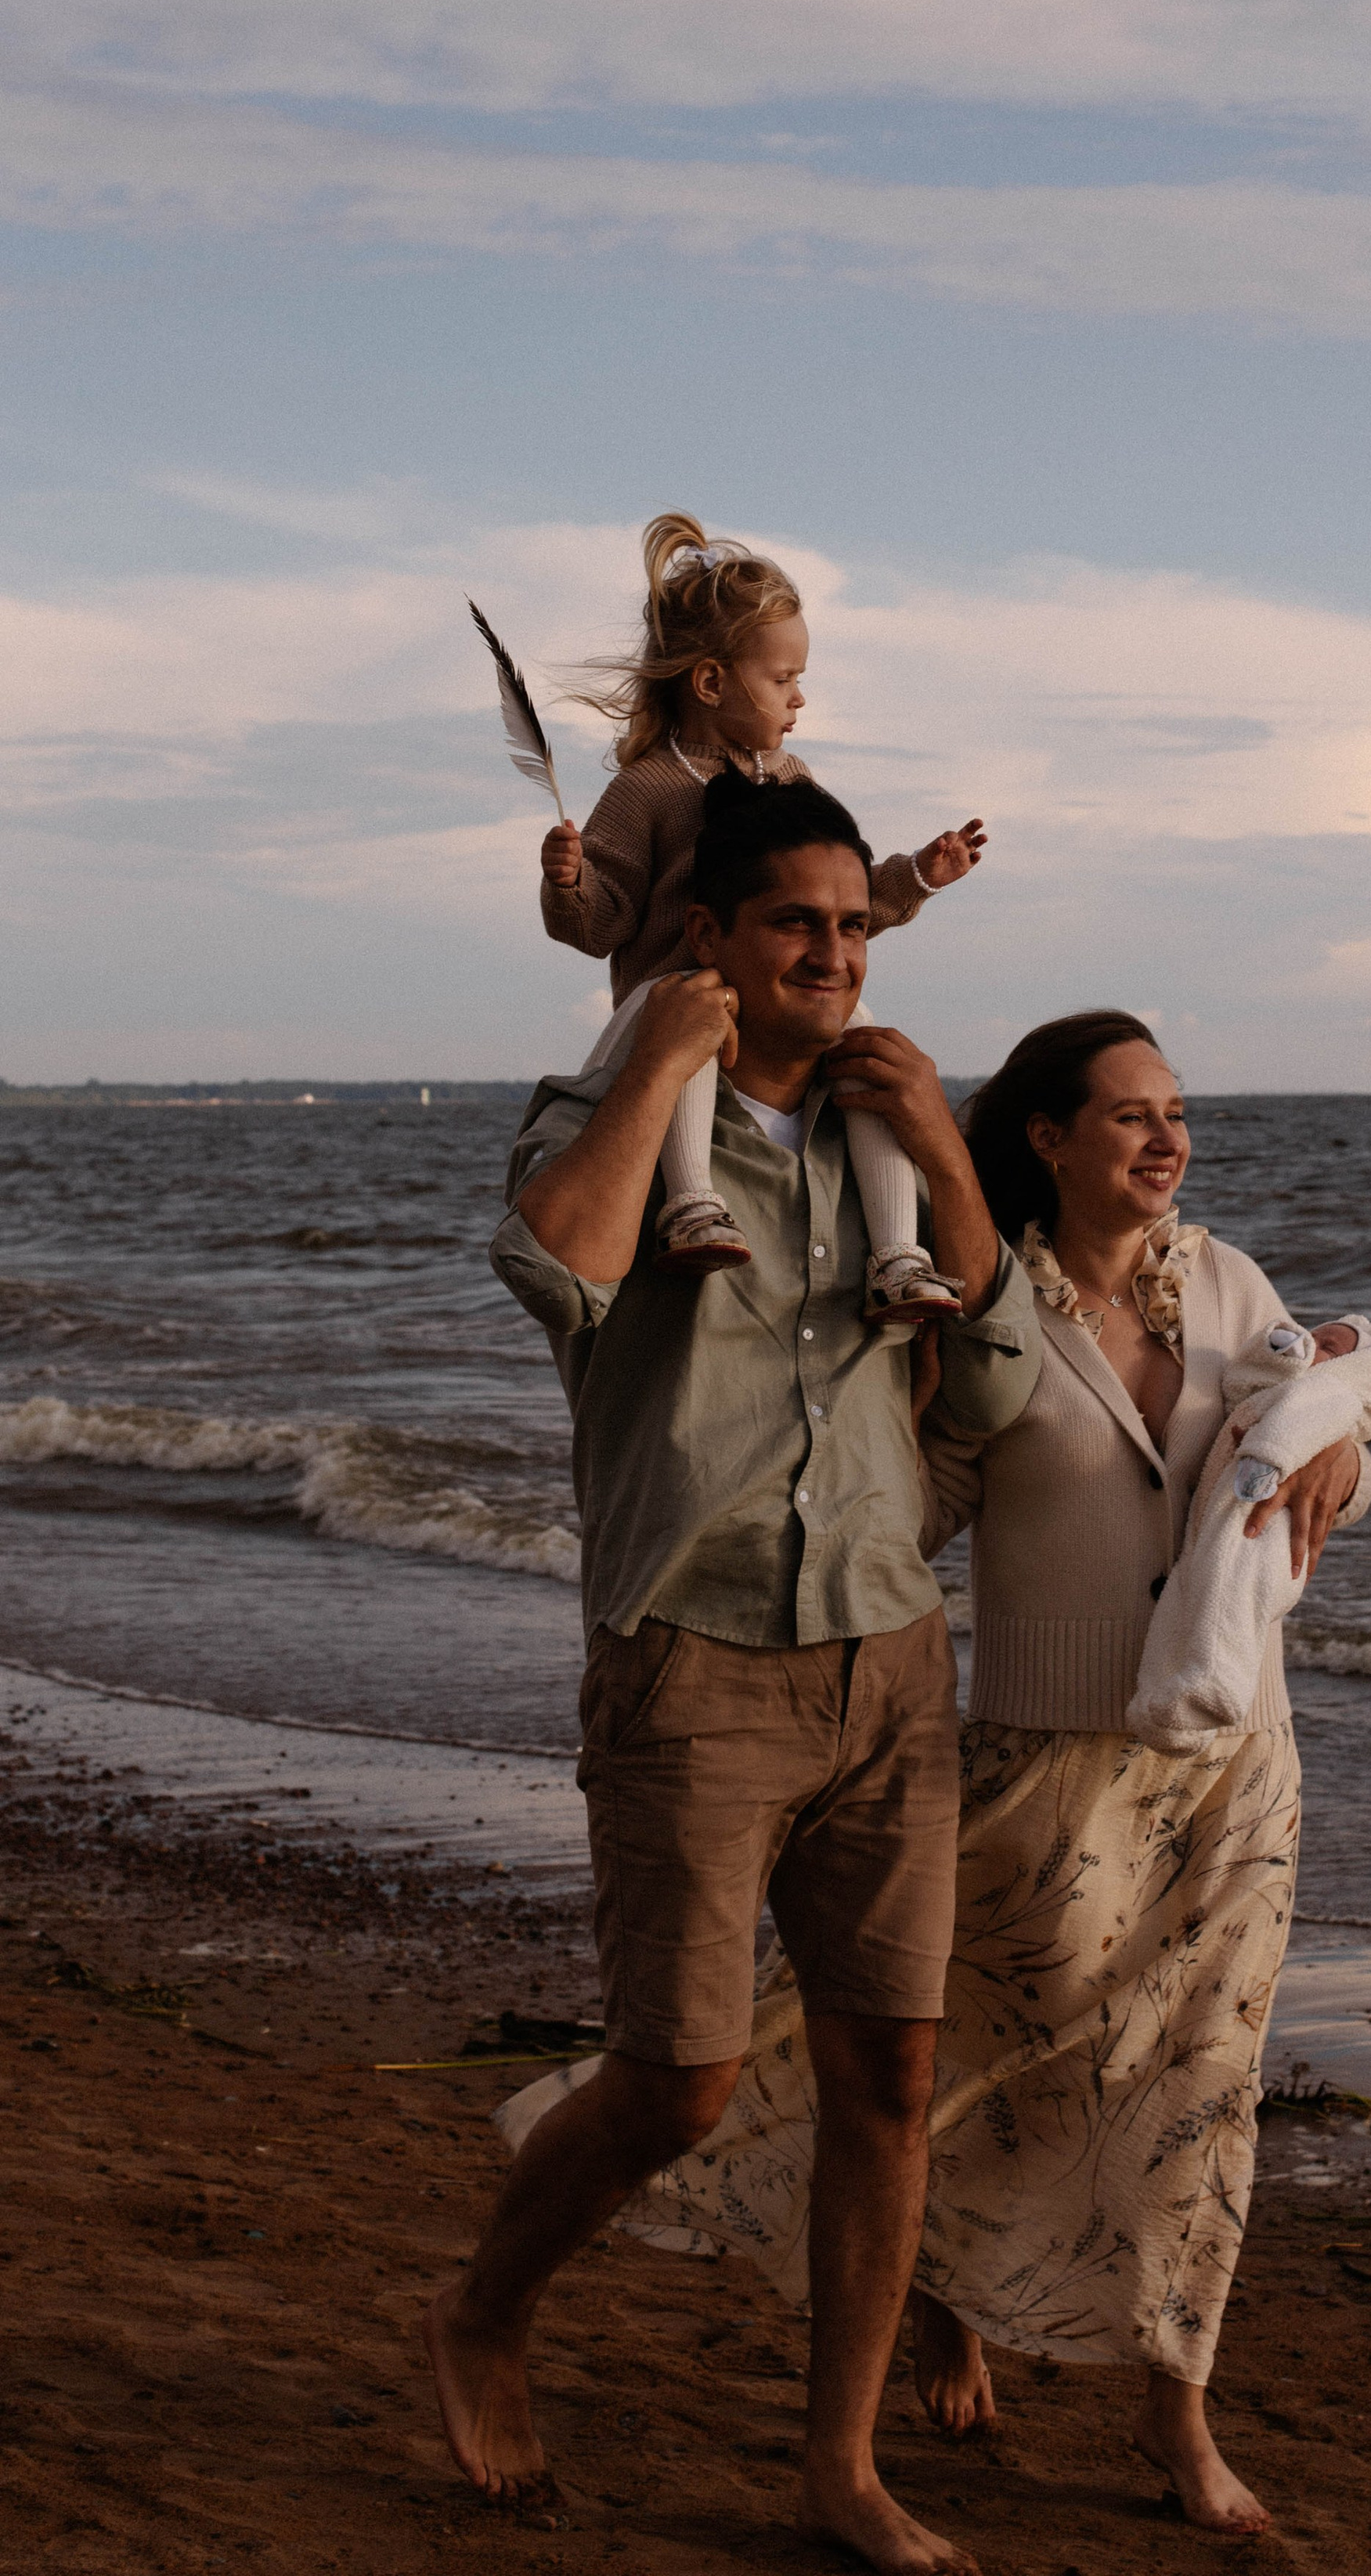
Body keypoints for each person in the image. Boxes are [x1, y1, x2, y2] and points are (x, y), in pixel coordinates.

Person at [590, 1010, 1371, 2540]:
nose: (1167, 1141)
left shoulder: (1226, 1283)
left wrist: (1347, 1455)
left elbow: (1311, 1421)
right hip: (1039, 1766)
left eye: (1177, 1113)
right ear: (1045, 1139)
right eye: (1131, 1116)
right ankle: (944, 2295)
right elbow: (900, 1509)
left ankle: (1174, 2417)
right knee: (975, 2069)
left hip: (1234, 1771)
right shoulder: (986, 1308)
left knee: (1199, 2094)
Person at [424, 770, 1040, 2576]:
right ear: (709, 934)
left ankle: (836, 2466)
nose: (838, 954)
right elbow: (552, 1267)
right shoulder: (611, 1103)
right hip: (689, 1666)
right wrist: (647, 1071)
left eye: (856, 925)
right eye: (799, 923)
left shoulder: (883, 1130)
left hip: (885, 1655)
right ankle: (480, 2308)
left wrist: (942, 1150)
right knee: (676, 2078)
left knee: (889, 2075)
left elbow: (995, 1387)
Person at [539, 507, 986, 1322]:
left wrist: (915, 875)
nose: (800, 698)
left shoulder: (796, 778)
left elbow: (837, 904)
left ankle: (897, 1255)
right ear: (710, 682)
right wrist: (569, 885)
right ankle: (691, 1205)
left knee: (867, 1059)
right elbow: (602, 926)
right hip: (675, 996)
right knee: (692, 1013)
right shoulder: (647, 788)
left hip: (782, 1003)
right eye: (783, 679)